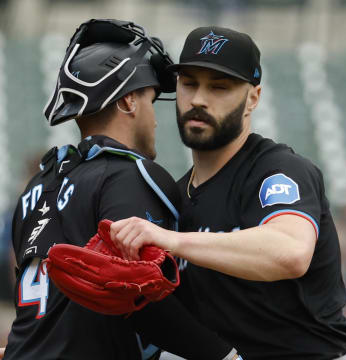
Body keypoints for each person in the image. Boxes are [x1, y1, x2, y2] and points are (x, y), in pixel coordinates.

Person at [110, 26, 346, 359]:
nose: (199, 99)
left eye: (219, 87)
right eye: (189, 83)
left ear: (253, 98)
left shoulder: (278, 169)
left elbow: (290, 252)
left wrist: (173, 241)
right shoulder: (174, 196)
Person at [2, 20, 240, 360]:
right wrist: (226, 356)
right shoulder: (129, 174)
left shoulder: (38, 186)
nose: (156, 119)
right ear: (129, 102)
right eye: (150, 100)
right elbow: (138, 298)